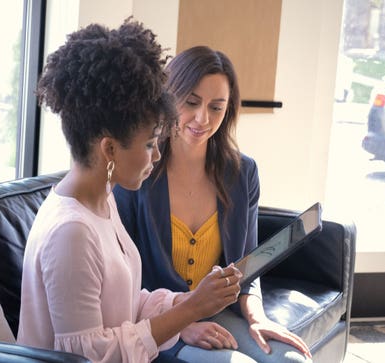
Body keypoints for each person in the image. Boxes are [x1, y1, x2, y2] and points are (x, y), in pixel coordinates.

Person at [16, 21, 243, 363]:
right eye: (150, 143)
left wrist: (186, 301)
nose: (156, 155)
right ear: (109, 149)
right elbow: (91, 357)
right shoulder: (71, 232)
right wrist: (192, 309)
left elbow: (125, 305)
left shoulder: (101, 200)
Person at [113, 46, 313, 363]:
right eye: (191, 102)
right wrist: (182, 324)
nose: (202, 118)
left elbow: (246, 267)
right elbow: (121, 280)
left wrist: (257, 317)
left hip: (220, 315)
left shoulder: (242, 173)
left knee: (293, 361)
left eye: (216, 107)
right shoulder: (138, 170)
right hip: (158, 323)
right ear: (167, 97)